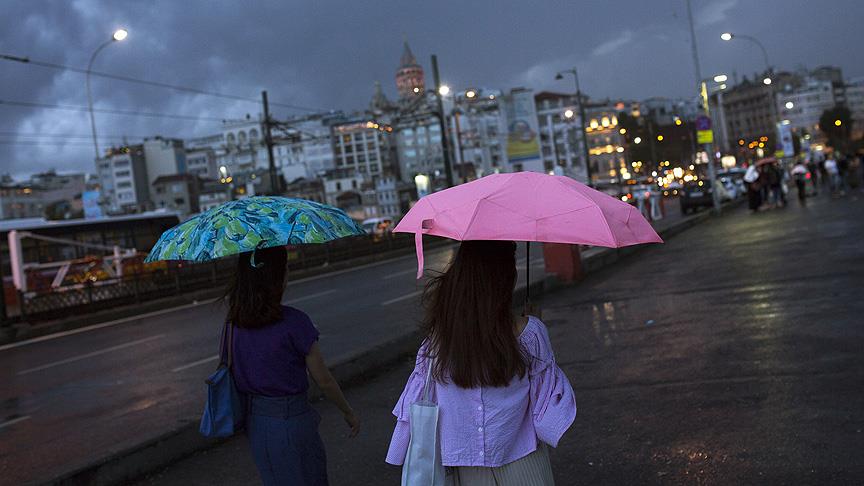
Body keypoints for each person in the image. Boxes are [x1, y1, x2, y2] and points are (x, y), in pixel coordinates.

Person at [386, 241, 576, 485]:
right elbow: (546, 408)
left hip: (464, 464)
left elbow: (419, 399)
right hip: (522, 459)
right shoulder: (530, 333)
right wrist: (535, 327)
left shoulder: (437, 340)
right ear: (505, 278)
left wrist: (400, 446)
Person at [224, 245, 359, 486]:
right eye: (286, 268)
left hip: (256, 424)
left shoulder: (233, 324)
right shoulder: (294, 322)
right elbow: (324, 380)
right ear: (278, 277)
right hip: (290, 421)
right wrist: (347, 411)